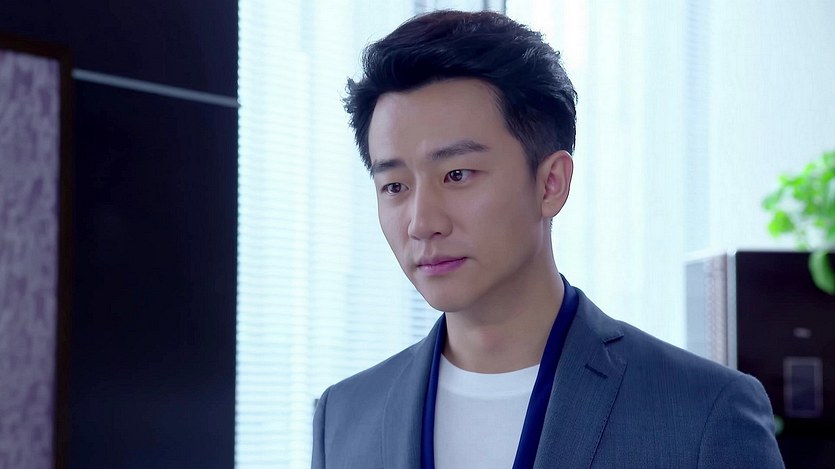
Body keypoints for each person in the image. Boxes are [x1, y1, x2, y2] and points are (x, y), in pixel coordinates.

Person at [312, 9, 784, 469]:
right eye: (395, 186)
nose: (421, 223)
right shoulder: (344, 417)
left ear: (550, 184)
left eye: (457, 174)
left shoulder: (704, 413)